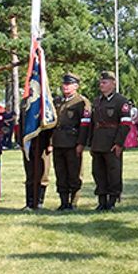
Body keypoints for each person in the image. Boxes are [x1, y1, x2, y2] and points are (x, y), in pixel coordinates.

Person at [89, 71, 131, 211]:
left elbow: (125, 124)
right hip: (98, 141)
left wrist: (119, 143)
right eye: (100, 82)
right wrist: (90, 143)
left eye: (105, 82)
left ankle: (112, 200)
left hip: (112, 142)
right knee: (98, 172)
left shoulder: (121, 101)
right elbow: (91, 123)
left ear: (113, 83)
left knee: (113, 171)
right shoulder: (96, 101)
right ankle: (101, 200)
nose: (101, 85)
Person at [51, 73, 90, 211]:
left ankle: (73, 202)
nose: (65, 87)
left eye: (69, 84)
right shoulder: (57, 101)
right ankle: (63, 202)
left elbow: (85, 125)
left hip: (73, 142)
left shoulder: (81, 102)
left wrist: (81, 143)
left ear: (76, 86)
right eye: (64, 84)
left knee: (74, 173)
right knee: (60, 173)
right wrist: (51, 142)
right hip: (58, 141)